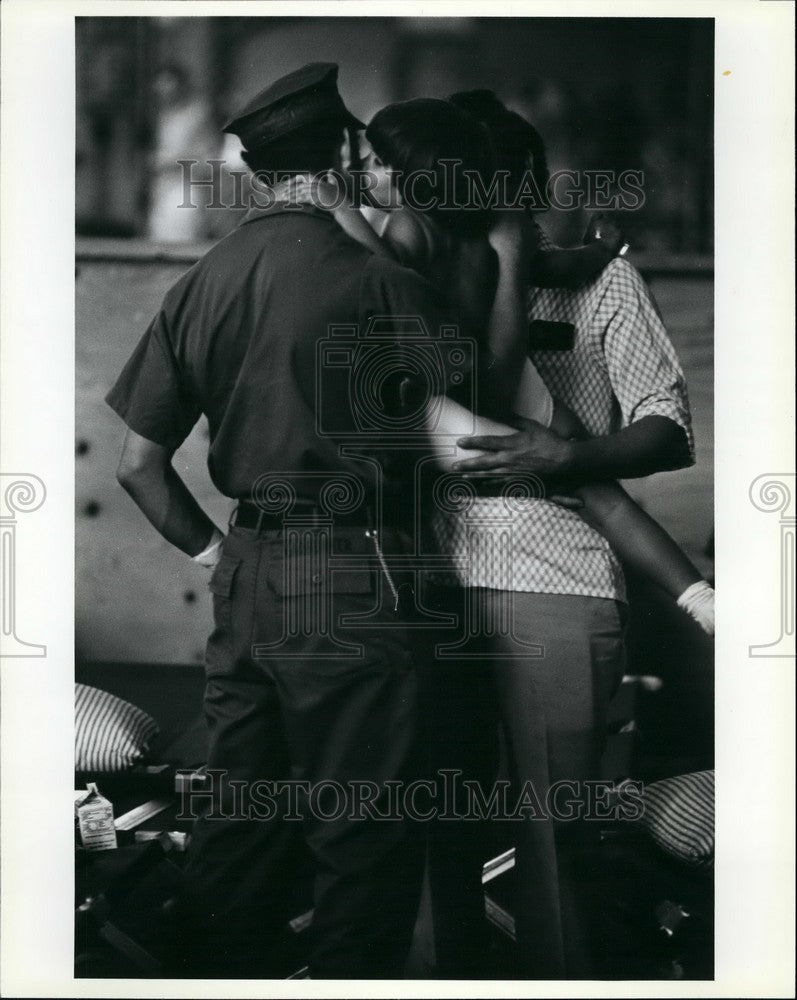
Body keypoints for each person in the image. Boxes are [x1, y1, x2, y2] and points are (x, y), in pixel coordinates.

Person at [295, 94, 709, 977]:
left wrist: (566, 455)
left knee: (557, 833)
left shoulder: (601, 284)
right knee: (427, 825)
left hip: (553, 580)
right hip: (426, 578)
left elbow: (668, 433)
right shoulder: (410, 265)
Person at [105, 63, 484, 979]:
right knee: (362, 831)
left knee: (238, 821)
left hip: (247, 569)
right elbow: (471, 409)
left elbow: (137, 465)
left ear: (262, 170)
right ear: (345, 150)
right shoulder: (379, 279)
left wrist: (218, 553)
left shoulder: (204, 280)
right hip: (356, 570)